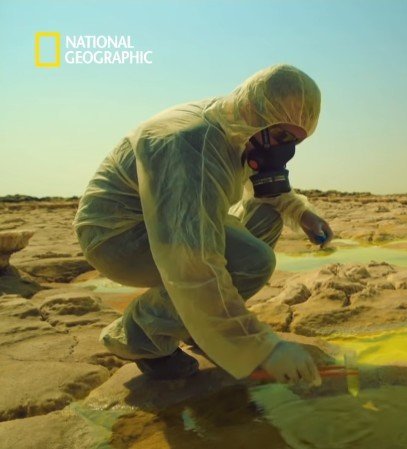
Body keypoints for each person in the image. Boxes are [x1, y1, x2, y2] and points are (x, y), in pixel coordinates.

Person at [72, 64, 333, 384]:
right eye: (281, 136)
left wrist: (303, 214)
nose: (284, 149)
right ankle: (140, 338)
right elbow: (194, 262)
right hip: (118, 236)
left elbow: (265, 183)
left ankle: (195, 325)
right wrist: (262, 348)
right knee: (253, 260)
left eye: (294, 141)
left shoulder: (239, 126)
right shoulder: (191, 144)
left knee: (265, 216)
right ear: (258, 109)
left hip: (168, 219)